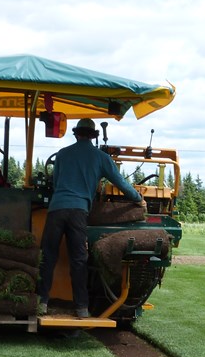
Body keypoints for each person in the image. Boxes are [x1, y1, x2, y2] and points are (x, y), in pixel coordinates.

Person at [38, 118, 146, 318]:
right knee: (79, 259)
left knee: (47, 256)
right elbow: (120, 182)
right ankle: (81, 308)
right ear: (93, 135)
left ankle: (42, 302)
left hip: (56, 209)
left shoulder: (62, 154)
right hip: (79, 211)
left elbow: (56, 182)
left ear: (76, 133)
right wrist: (138, 198)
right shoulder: (101, 158)